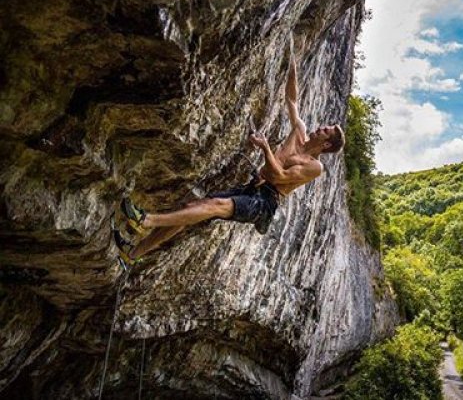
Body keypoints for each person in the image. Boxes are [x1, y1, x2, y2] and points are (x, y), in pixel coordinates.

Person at [114, 45, 345, 268]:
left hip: (265, 201)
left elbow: (281, 175)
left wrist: (265, 148)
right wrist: (293, 58)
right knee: (193, 206)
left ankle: (146, 220)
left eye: (326, 130)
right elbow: (292, 100)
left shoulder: (315, 167)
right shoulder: (300, 131)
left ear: (326, 144)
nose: (321, 127)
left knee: (215, 205)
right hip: (253, 188)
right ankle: (132, 254)